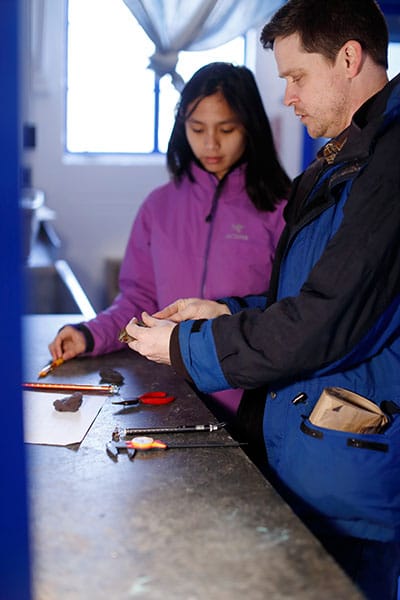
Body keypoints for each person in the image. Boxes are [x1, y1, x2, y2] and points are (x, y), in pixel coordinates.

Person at [123, 2, 400, 598]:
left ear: (348, 58)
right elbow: (305, 297)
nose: (289, 98)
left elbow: (322, 322)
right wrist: (228, 309)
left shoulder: (389, 162)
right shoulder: (346, 158)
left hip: (351, 464)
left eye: (297, 77)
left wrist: (183, 343)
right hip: (317, 456)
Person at [49, 61, 290, 416]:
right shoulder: (159, 206)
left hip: (249, 402)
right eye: (197, 128)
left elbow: (290, 313)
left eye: (226, 129)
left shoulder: (280, 208)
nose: (211, 143)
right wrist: (89, 334)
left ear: (250, 128)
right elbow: (139, 300)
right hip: (167, 394)